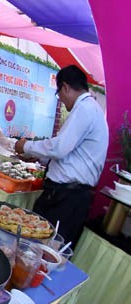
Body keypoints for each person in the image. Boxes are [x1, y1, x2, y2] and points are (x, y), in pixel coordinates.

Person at [14, 65, 108, 246]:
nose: (62, 101)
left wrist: (25, 145)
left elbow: (59, 148)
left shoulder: (85, 109)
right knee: (38, 244)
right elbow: (72, 154)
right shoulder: (90, 109)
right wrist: (39, 157)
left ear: (65, 87)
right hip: (67, 195)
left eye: (59, 94)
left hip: (67, 198)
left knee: (44, 248)